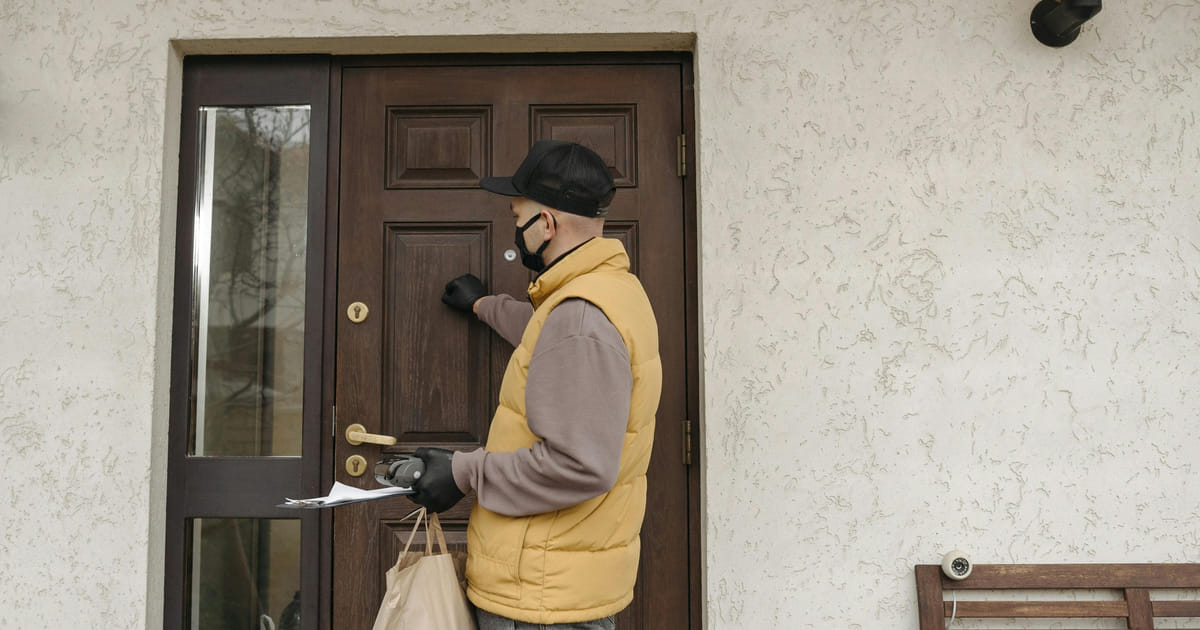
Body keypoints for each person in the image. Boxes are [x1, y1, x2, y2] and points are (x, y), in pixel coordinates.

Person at [408, 140, 662, 630]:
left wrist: (462, 472)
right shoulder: (611, 292)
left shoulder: (581, 317)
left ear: (545, 224)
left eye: (517, 217)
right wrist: (484, 305)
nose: (515, 228)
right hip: (561, 583)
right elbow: (550, 338)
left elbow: (578, 466)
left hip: (540, 602)